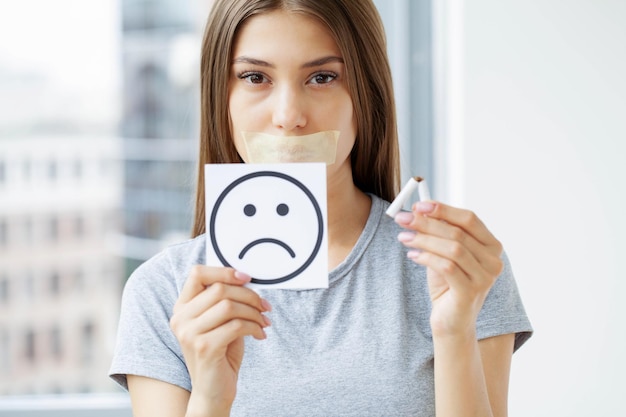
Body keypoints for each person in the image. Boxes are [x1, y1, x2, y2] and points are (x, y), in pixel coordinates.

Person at [109, 0, 532, 416]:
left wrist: (455, 330)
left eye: (322, 77)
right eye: (255, 77)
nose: (288, 116)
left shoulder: (456, 269)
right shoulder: (164, 292)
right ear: (221, 97)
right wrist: (210, 400)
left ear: (365, 95)